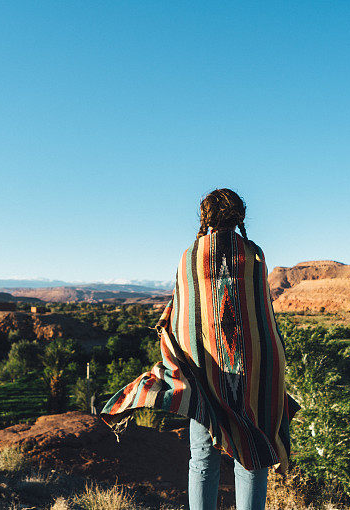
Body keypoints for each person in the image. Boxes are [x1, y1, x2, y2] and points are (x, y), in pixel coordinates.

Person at [101, 188, 298, 510]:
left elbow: (183, 314)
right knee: (254, 453)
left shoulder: (191, 255)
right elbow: (260, 318)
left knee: (202, 455)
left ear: (205, 217)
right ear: (240, 216)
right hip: (254, 371)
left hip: (203, 370)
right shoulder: (254, 254)